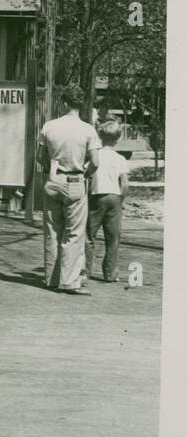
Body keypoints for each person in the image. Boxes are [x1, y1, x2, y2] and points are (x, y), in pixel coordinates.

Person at [36, 85, 102, 295]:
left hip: (53, 180)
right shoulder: (88, 129)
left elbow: (40, 157)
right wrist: (85, 174)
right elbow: (95, 162)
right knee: (73, 233)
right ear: (80, 104)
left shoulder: (49, 126)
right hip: (75, 180)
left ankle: (51, 279)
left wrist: (50, 170)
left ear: (64, 103)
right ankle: (69, 280)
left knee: (52, 230)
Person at [85, 119, 129, 284]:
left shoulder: (95, 156)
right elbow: (125, 184)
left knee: (89, 235)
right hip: (115, 197)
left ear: (99, 136)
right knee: (113, 237)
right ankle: (110, 273)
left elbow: (88, 176)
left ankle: (86, 270)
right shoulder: (120, 159)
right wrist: (121, 200)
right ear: (117, 139)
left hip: (97, 196)